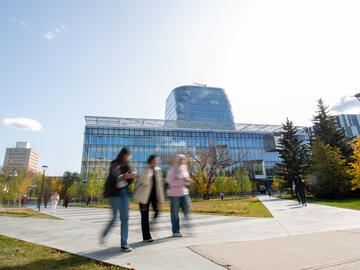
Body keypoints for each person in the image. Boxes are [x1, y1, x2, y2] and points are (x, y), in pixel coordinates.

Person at [101, 147, 136, 252]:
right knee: (114, 218)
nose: (128, 158)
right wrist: (122, 177)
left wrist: (131, 177)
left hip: (124, 192)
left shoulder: (128, 165)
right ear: (122, 154)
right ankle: (104, 234)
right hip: (114, 193)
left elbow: (129, 182)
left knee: (125, 218)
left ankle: (124, 243)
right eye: (127, 155)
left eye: (129, 156)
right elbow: (113, 178)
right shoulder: (114, 163)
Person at [134, 155, 164, 242]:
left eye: (157, 160)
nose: (157, 162)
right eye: (155, 160)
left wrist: (161, 198)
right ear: (151, 161)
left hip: (154, 196)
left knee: (157, 212)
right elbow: (144, 182)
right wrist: (149, 171)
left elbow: (159, 186)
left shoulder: (158, 170)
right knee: (144, 217)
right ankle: (146, 236)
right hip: (144, 197)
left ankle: (152, 223)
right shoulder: (144, 169)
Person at [166, 154, 192, 237]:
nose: (182, 161)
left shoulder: (185, 169)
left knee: (187, 209)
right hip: (174, 195)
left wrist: (188, 181)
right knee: (174, 213)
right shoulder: (173, 170)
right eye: (180, 159)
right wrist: (182, 181)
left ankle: (186, 224)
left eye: (183, 159)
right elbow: (170, 182)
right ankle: (175, 231)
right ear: (177, 160)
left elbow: (186, 182)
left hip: (184, 193)